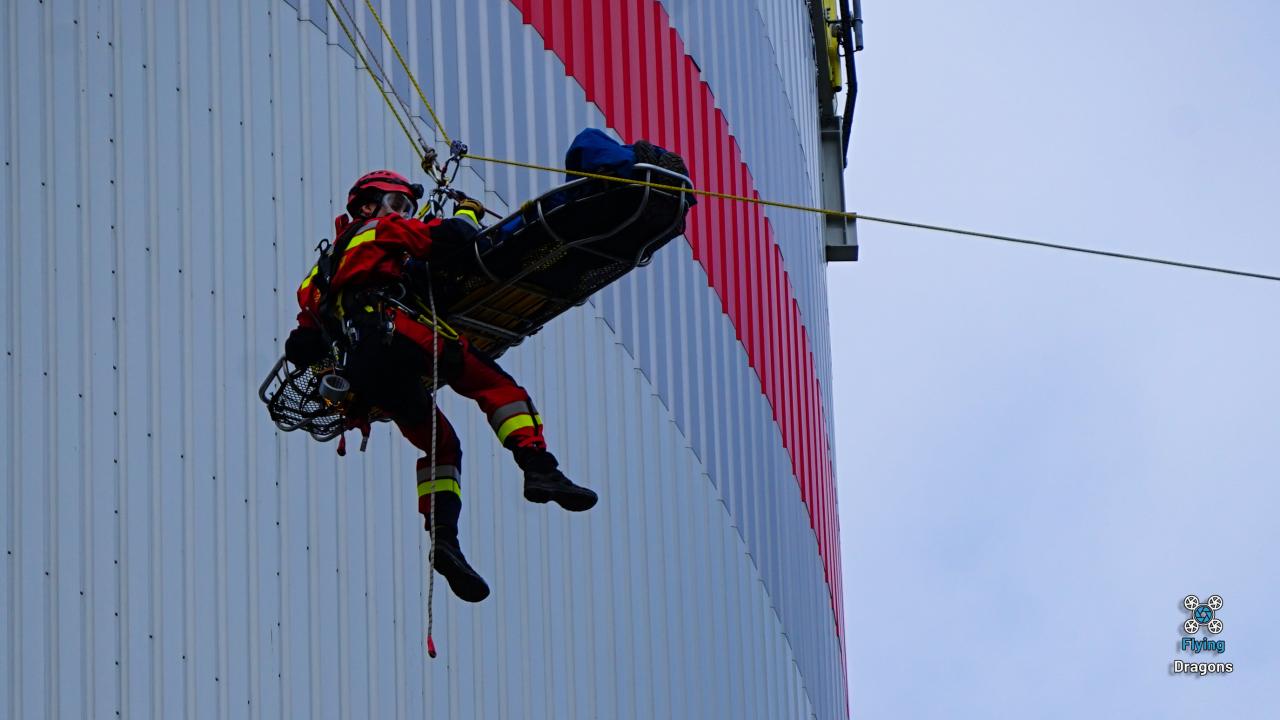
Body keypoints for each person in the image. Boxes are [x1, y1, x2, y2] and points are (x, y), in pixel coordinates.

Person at [284, 170, 598, 603]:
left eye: (408, 209)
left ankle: (444, 541)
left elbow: (303, 339)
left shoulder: (319, 274)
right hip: (395, 330)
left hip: (363, 369)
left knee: (441, 446)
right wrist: (467, 209)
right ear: (367, 206)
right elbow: (454, 238)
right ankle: (539, 468)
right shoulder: (381, 229)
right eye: (398, 205)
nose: (403, 214)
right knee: (498, 388)